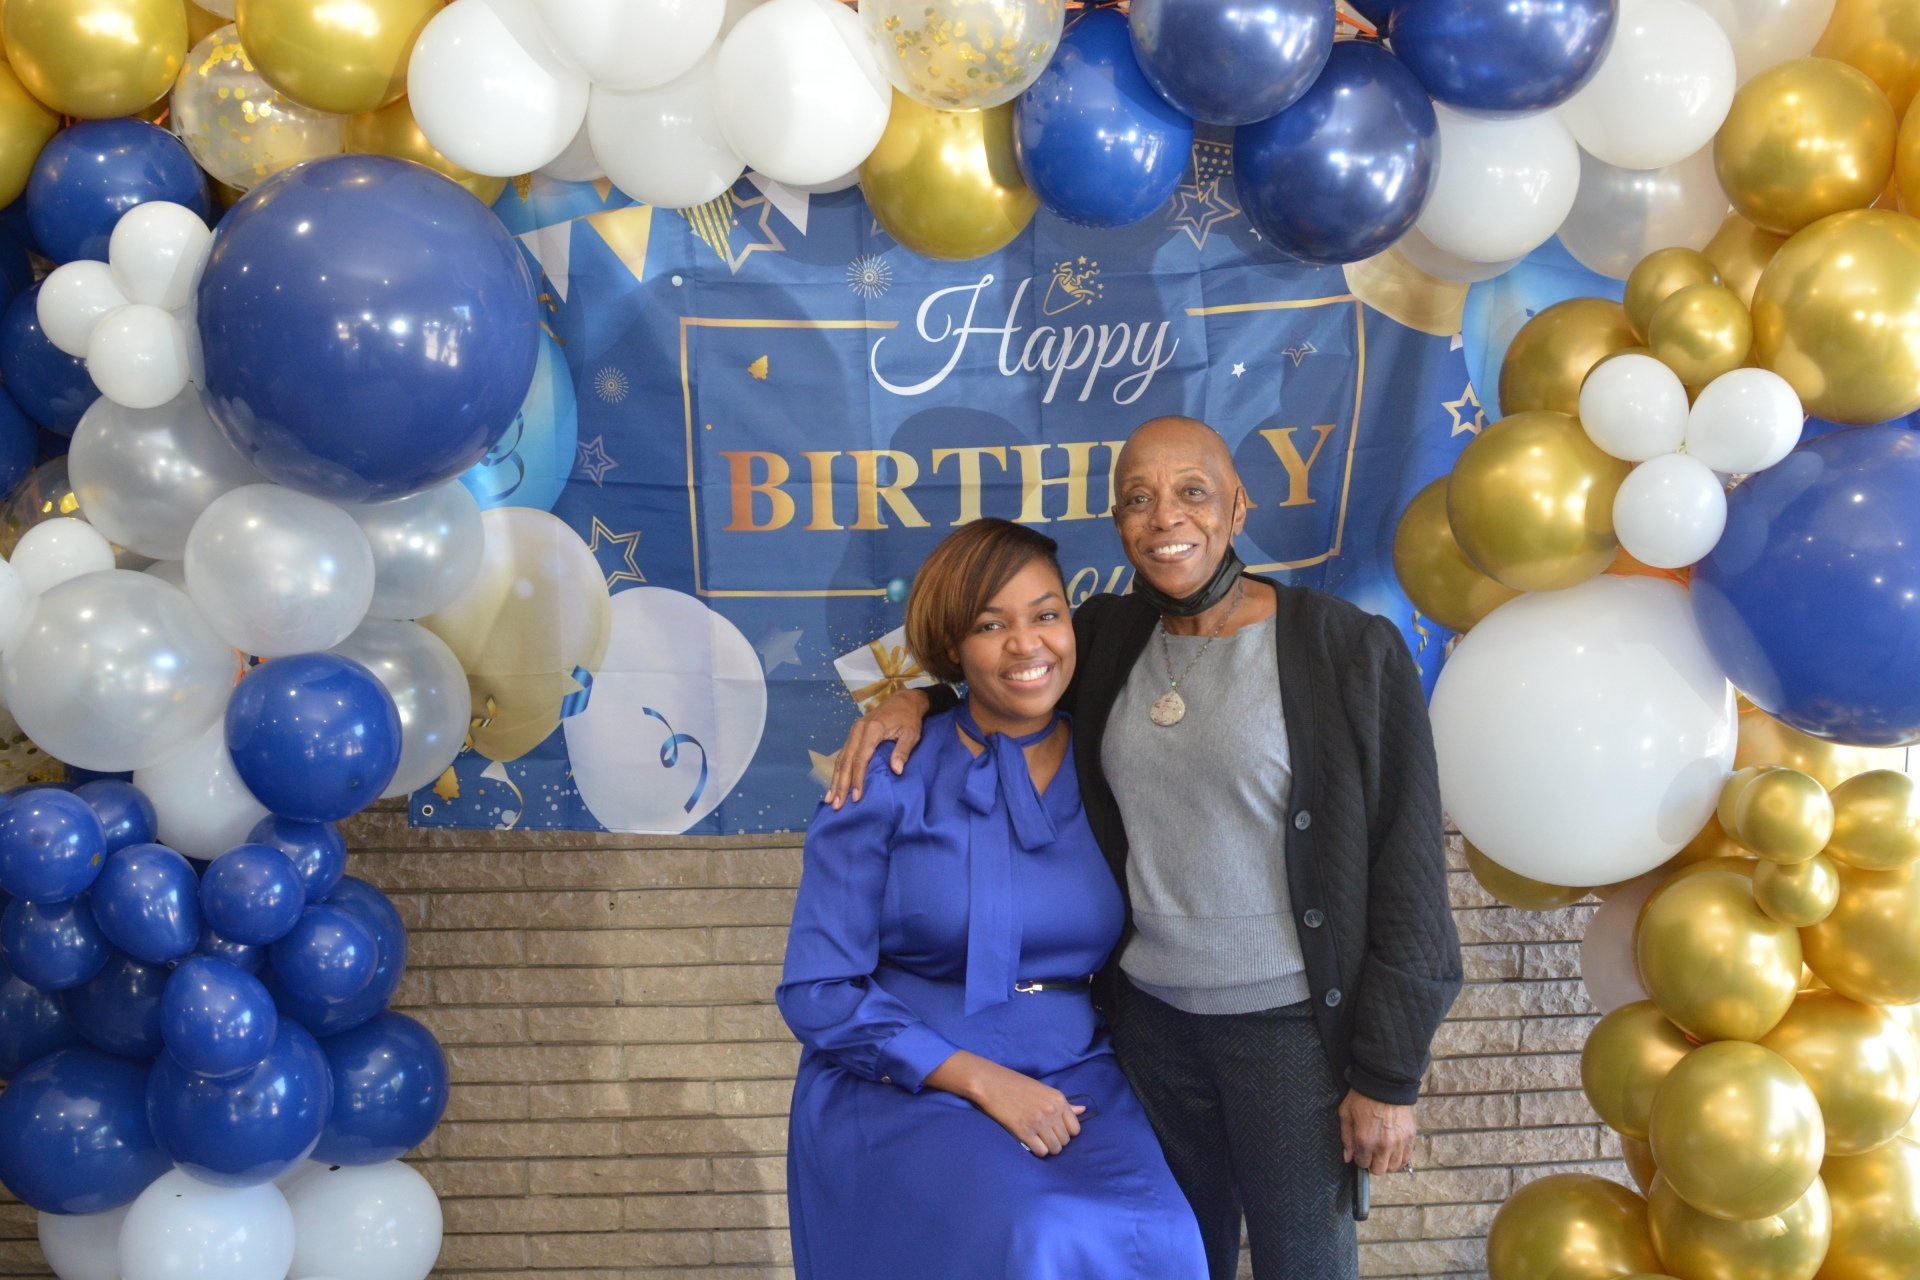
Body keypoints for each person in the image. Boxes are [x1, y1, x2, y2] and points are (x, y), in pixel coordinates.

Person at [828, 416, 1462, 1280]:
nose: (1166, 517)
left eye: (1192, 492)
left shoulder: (1345, 649)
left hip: (1290, 1035)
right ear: (1120, 522)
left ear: (1237, 506)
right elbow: (1011, 678)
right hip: (1147, 1034)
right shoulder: (1110, 636)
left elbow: (1410, 877)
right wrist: (914, 705)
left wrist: (1389, 1076)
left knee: (1305, 1266)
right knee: (1173, 1260)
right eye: (1139, 499)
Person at [778, 517, 1208, 1280]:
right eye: (990, 625)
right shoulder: (885, 774)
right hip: (905, 1078)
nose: (1026, 644)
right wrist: (981, 1079)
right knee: (1037, 1231)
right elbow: (817, 989)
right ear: (952, 648)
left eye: (1046, 615)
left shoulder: (1113, 764)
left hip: (1077, 1072)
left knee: (1165, 1235)